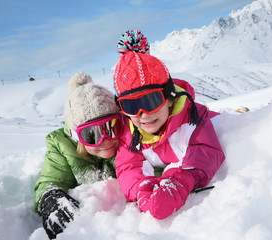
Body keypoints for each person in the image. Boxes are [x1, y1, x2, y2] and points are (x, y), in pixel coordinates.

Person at [113, 30, 225, 220]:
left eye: (151, 101)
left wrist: (180, 182)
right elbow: (127, 167)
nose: (143, 114)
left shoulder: (192, 118)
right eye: (131, 106)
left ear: (169, 97)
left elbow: (205, 152)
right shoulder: (131, 134)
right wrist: (142, 188)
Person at [34, 71, 123, 239]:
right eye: (91, 135)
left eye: (111, 127)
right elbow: (51, 180)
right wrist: (51, 199)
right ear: (76, 137)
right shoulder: (62, 145)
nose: (104, 140)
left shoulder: (128, 139)